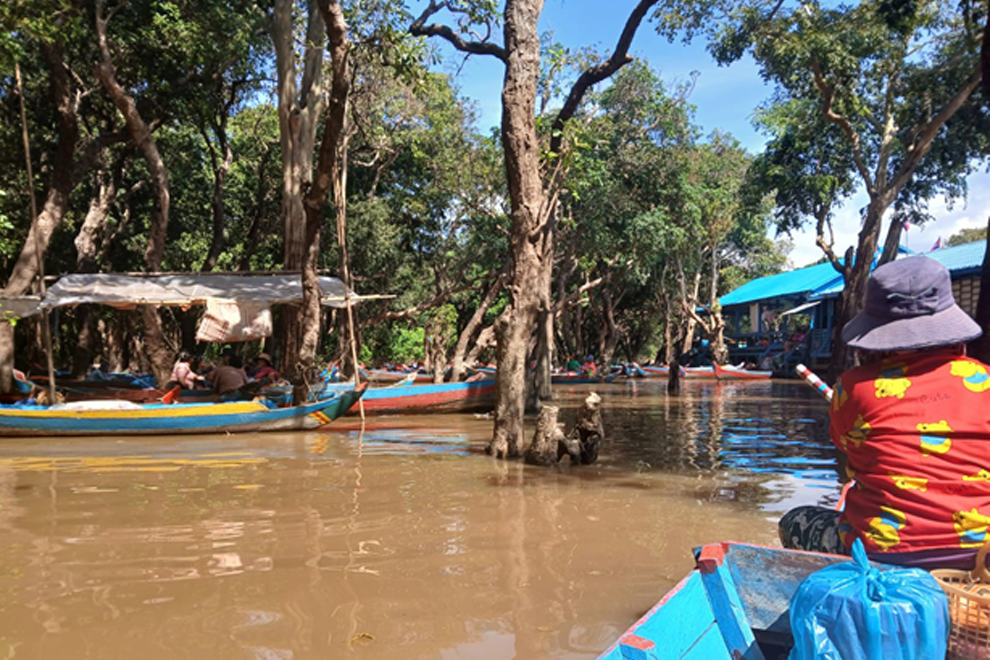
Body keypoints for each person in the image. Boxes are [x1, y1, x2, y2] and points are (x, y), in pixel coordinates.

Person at [779, 256, 990, 570]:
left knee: (793, 521)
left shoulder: (852, 387)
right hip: (980, 559)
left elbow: (845, 444)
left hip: (883, 557)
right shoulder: (985, 379)